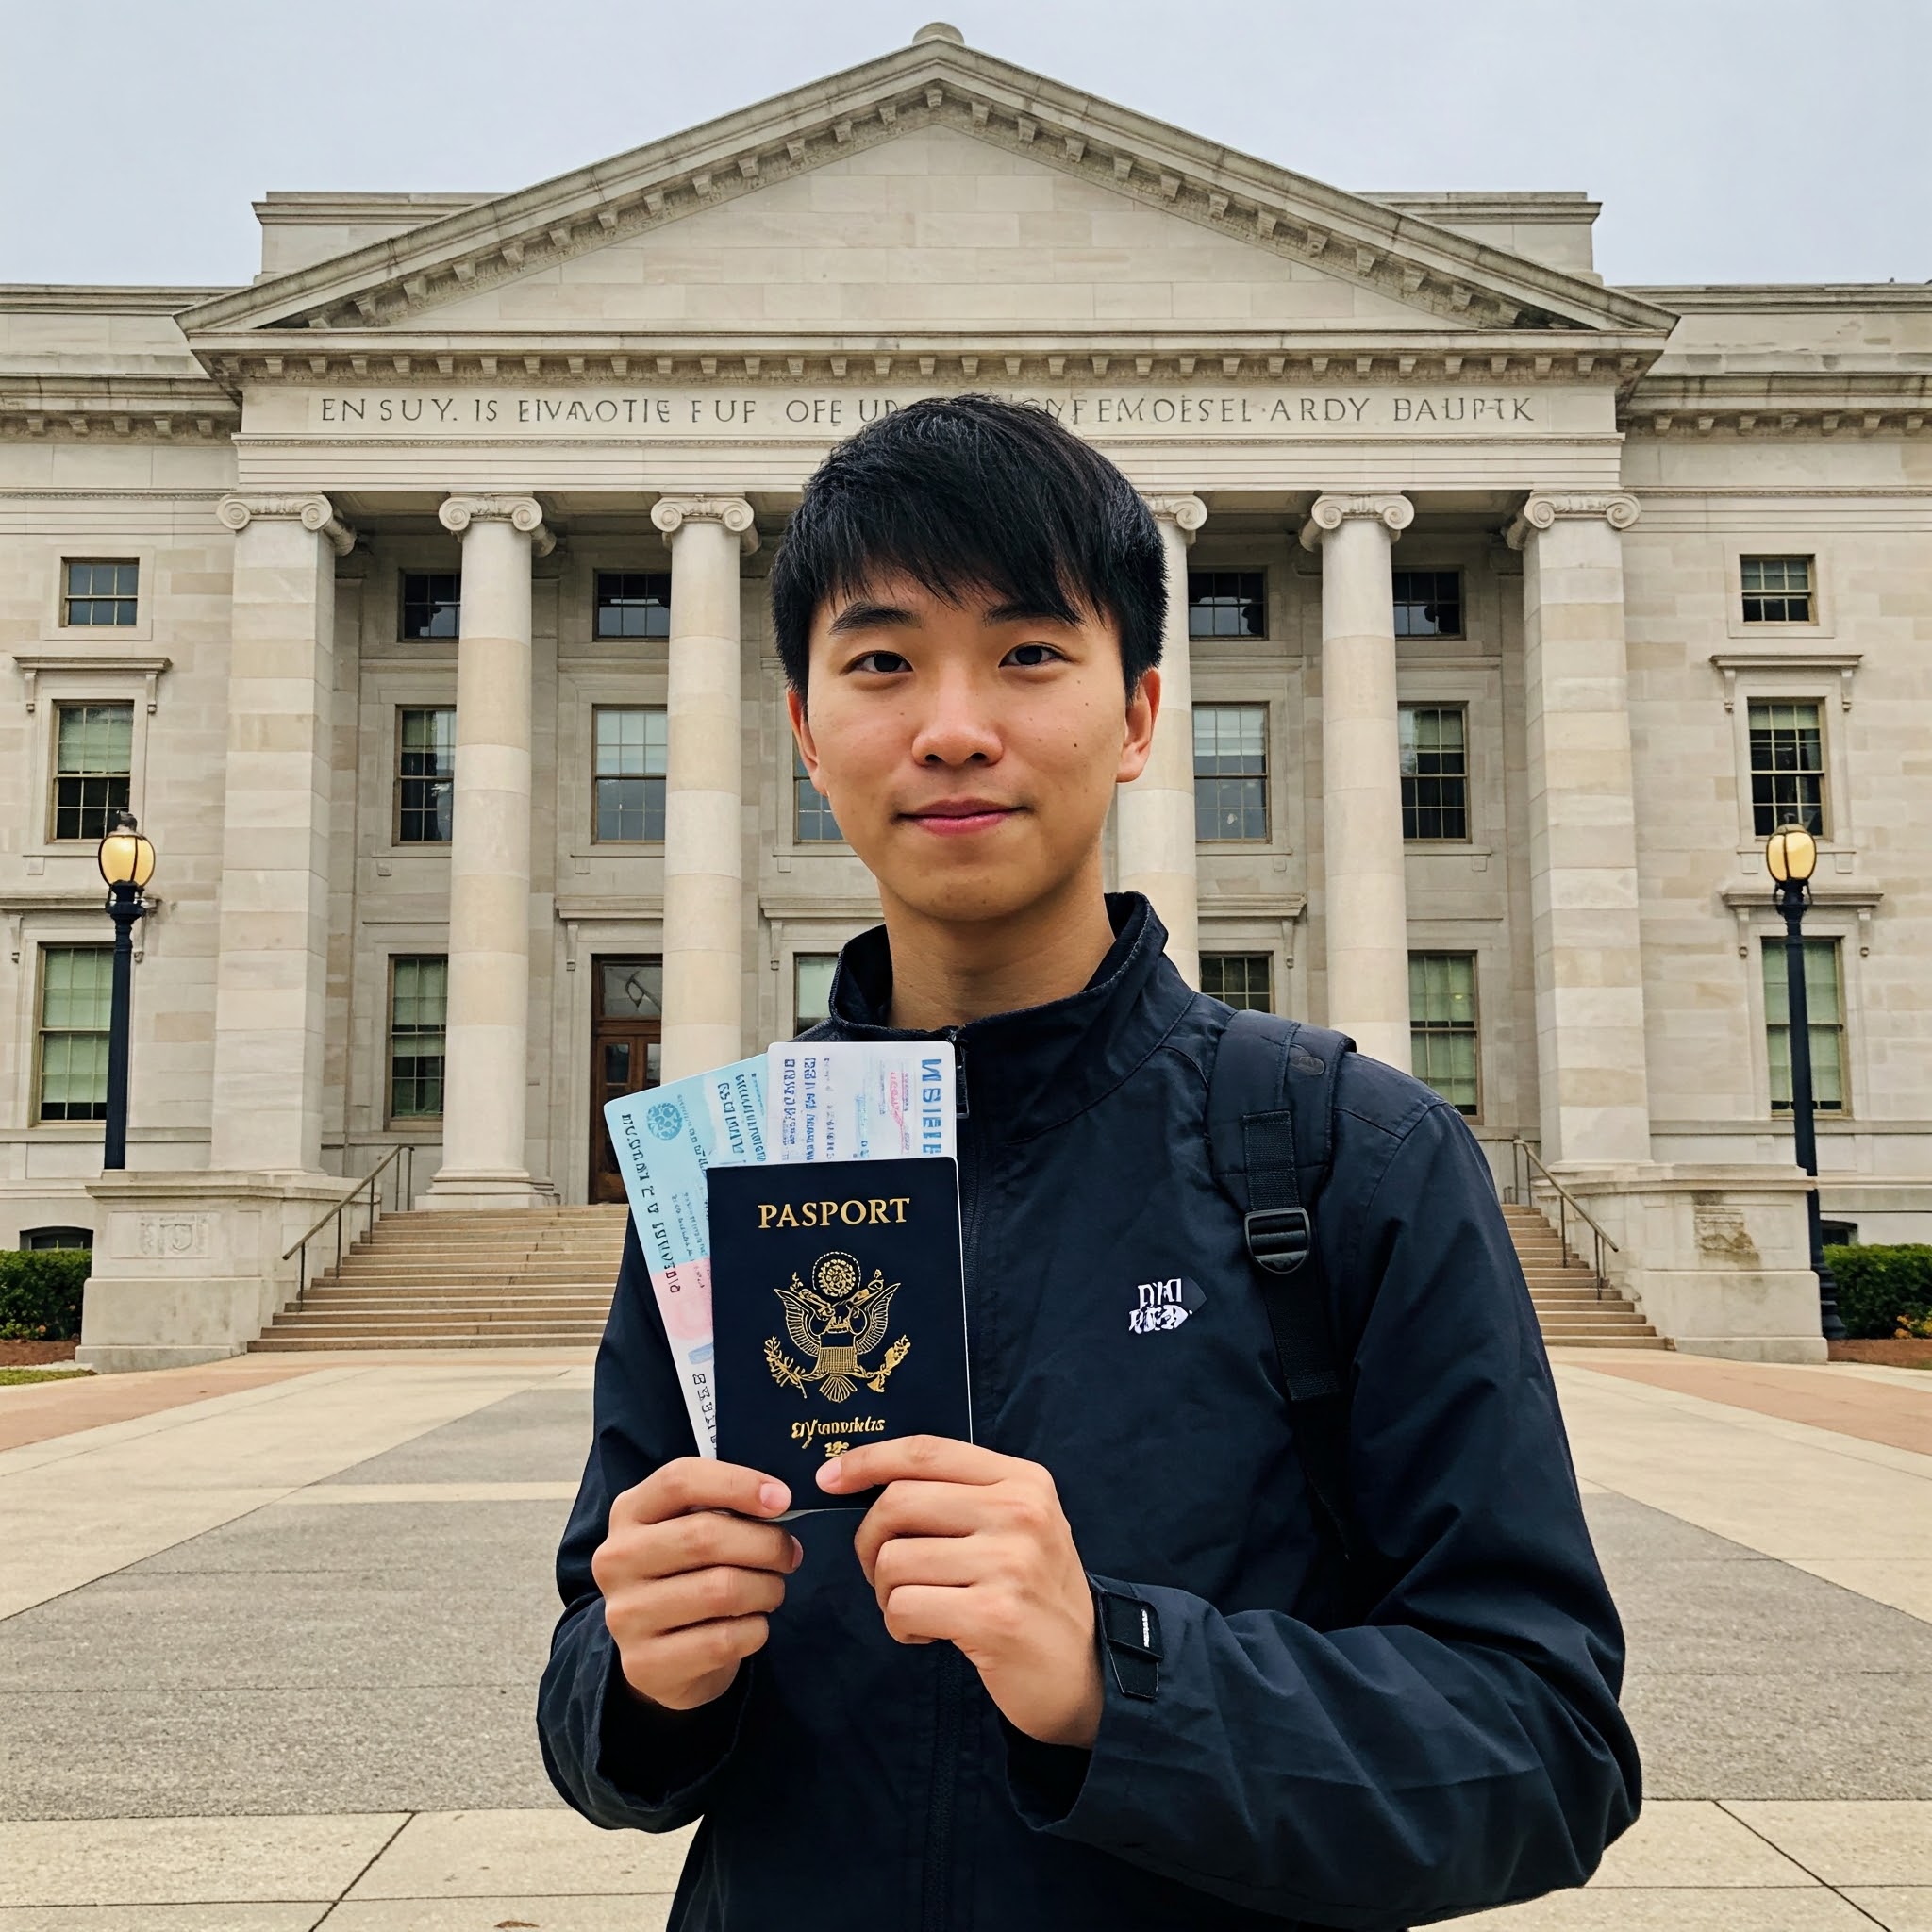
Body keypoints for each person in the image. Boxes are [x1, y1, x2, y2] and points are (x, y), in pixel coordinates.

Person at [539, 395, 1641, 1931]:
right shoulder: (734, 1174)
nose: (952, 726)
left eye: (1030, 653)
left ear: (1138, 718)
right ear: (803, 731)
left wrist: (1112, 1674)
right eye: (881, 662)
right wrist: (641, 1671)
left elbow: (1546, 1746)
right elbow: (598, 1703)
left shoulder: (1351, 1153)